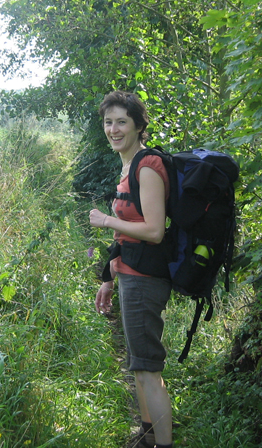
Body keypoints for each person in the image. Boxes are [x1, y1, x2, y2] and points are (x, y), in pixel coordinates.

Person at [89, 91, 173, 448]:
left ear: (139, 126)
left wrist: (106, 220)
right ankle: (147, 435)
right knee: (138, 364)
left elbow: (154, 231)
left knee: (148, 370)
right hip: (130, 274)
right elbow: (127, 233)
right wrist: (108, 277)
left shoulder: (147, 166)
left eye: (122, 121)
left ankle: (163, 443)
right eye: (108, 122)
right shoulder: (127, 166)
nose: (114, 129)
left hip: (146, 278)